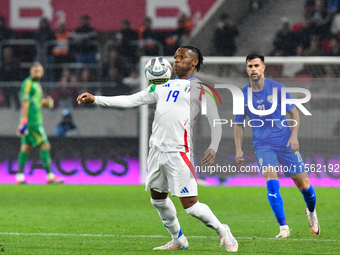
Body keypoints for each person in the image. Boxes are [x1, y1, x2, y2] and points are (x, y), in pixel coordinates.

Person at [77, 46, 238, 252]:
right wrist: (96, 99)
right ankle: (178, 240)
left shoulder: (201, 89)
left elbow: (215, 120)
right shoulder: (159, 87)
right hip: (156, 151)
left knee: (191, 206)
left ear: (195, 62)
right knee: (158, 200)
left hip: (179, 151)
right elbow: (130, 100)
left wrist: (213, 147)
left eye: (182, 57)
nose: (176, 61)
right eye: (175, 58)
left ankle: (223, 231)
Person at [234, 53, 320, 238]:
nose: (253, 69)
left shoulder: (277, 88)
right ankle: (283, 228)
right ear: (246, 69)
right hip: (263, 145)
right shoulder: (242, 95)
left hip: (285, 141)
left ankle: (312, 213)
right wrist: (239, 149)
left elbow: (295, 114)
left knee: (303, 185)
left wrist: (294, 137)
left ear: (263, 68)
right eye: (250, 66)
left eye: (256, 65)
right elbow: (238, 124)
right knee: (272, 182)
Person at [16, 62, 64, 185]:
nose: (38, 73)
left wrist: (44, 103)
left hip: (32, 120)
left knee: (26, 147)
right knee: (45, 145)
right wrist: (24, 122)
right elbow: (25, 103)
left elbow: (34, 102)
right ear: (30, 71)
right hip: (33, 121)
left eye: (39, 71)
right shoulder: (28, 84)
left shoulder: (37, 84)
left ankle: (20, 177)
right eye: (35, 71)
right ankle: (50, 176)